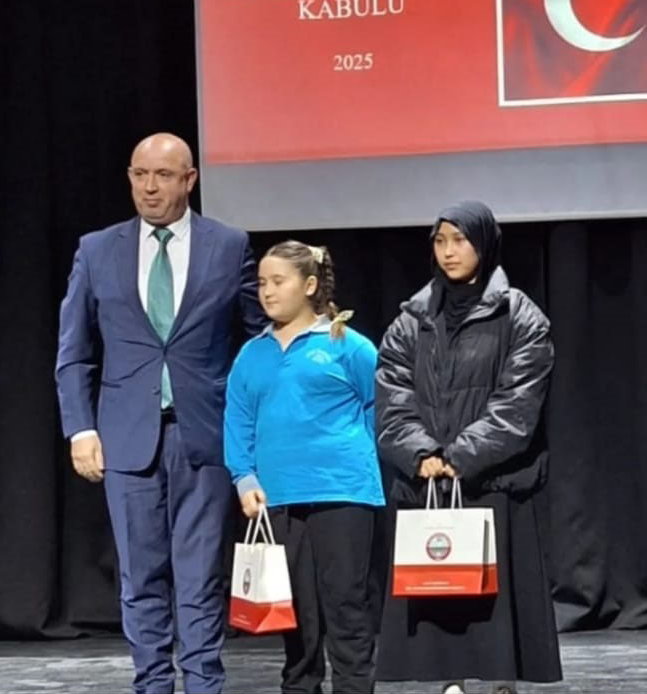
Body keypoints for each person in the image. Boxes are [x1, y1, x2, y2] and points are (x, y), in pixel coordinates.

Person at [55, 133, 266, 694]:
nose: (149, 187)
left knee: (200, 577)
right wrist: (80, 428)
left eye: (164, 176)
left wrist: (254, 428)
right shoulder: (97, 249)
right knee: (141, 576)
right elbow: (74, 351)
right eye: (140, 174)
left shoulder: (229, 246)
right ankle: (151, 684)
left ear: (189, 180)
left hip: (205, 434)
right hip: (126, 438)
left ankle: (203, 684)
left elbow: (256, 344)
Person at [374, 201, 562, 694]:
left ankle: (501, 685)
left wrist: (459, 456)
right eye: (440, 241)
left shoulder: (519, 315)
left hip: (493, 483)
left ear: (484, 244)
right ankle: (449, 684)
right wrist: (422, 455)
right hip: (431, 484)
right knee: (441, 602)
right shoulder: (411, 320)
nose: (449, 251)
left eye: (460, 240)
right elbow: (392, 399)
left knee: (495, 611)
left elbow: (518, 405)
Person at [224, 240, 385, 694]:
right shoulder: (252, 354)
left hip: (343, 494)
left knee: (346, 607)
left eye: (279, 281)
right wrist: (244, 477)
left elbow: (380, 409)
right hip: (278, 498)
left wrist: (358, 461)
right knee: (295, 616)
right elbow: (237, 420)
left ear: (310, 285)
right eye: (262, 282)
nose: (267, 291)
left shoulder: (347, 346)